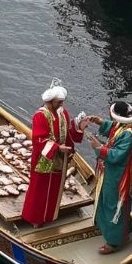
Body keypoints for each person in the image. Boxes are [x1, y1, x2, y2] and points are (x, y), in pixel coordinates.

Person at [21, 80, 89, 226]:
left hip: (60, 158)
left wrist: (79, 128)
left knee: (55, 188)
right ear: (50, 101)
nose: (61, 105)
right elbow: (39, 139)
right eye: (58, 102)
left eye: (62, 102)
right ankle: (35, 218)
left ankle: (49, 215)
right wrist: (58, 147)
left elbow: (69, 133)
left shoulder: (62, 112)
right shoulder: (40, 116)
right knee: (39, 189)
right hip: (44, 158)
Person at [87, 101, 132, 255]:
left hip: (119, 176)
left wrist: (99, 147)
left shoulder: (129, 135)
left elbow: (116, 156)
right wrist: (100, 122)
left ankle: (115, 241)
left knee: (114, 204)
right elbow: (113, 127)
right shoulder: (124, 127)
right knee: (106, 199)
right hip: (111, 172)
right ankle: (105, 227)